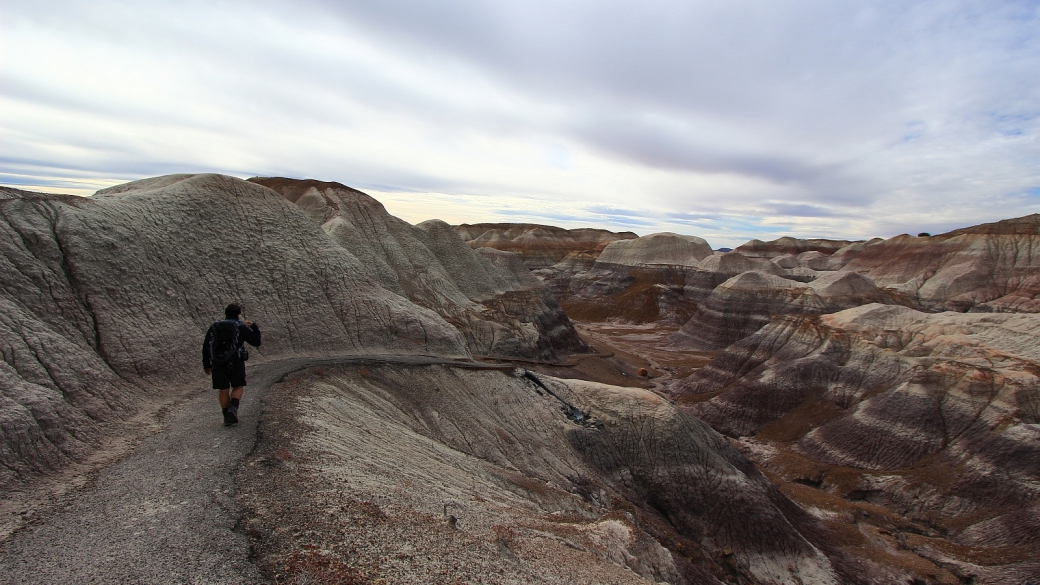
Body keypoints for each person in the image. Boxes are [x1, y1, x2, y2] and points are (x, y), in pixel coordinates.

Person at [203, 303, 261, 426]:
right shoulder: (240, 327)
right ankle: (233, 409)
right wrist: (254, 327)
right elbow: (256, 342)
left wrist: (206, 364)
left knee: (223, 389)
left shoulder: (215, 326)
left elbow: (206, 345)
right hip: (235, 362)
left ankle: (226, 415)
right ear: (238, 314)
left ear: (226, 313)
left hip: (218, 363)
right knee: (238, 386)